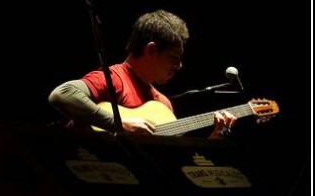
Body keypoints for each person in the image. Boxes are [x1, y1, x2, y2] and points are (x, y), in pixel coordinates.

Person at [48, 9, 236, 138]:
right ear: (151, 50)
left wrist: (215, 137)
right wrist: (120, 123)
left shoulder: (163, 104)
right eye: (173, 57)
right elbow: (62, 94)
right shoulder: (114, 78)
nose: (179, 65)